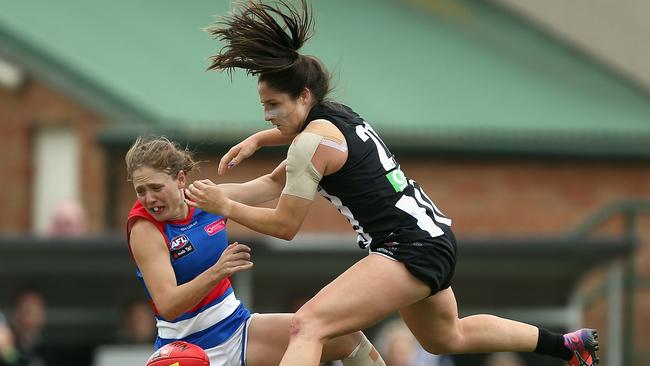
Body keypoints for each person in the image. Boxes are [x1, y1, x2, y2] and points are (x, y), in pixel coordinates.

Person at [186, 1, 600, 366]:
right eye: (263, 107)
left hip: (407, 246)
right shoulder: (335, 116)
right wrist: (206, 194)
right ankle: (567, 346)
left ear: (305, 97)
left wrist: (225, 208)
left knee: (308, 325)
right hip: (431, 235)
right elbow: (273, 183)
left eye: (273, 106)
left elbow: (284, 225)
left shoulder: (309, 145)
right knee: (445, 337)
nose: (266, 116)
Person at [124, 136, 385, 366]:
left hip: (237, 328)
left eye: (156, 188)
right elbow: (168, 305)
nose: (149, 199)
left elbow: (271, 183)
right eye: (141, 191)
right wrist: (217, 272)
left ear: (181, 179)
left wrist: (319, 145)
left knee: (347, 339)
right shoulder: (144, 229)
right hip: (187, 348)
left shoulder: (207, 199)